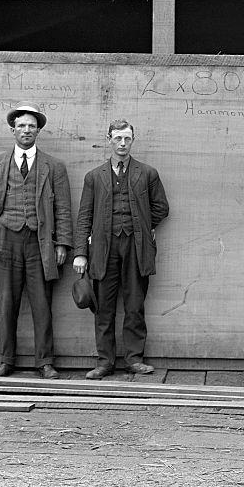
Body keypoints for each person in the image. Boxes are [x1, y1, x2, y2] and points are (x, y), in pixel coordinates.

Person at [0, 104, 72, 380]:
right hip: (5, 240)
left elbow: (63, 208)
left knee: (42, 303)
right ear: (12, 130)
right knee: (7, 301)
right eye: (21, 126)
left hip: (40, 242)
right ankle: (5, 360)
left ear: (38, 130)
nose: (26, 130)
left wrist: (62, 243)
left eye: (31, 126)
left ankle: (45, 362)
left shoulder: (54, 166)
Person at [74, 120, 170, 379]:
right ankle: (105, 362)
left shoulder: (147, 173)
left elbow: (161, 207)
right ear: (109, 140)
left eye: (127, 139)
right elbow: (84, 217)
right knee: (103, 307)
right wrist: (81, 252)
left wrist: (143, 225)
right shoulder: (94, 177)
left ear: (133, 140)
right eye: (118, 138)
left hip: (136, 248)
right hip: (103, 249)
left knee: (135, 305)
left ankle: (134, 359)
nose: (122, 144)